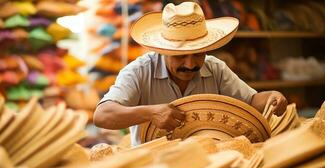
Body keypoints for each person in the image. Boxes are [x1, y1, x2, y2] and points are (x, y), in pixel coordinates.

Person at [94, 2, 287, 146]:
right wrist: (150, 112)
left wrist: (272, 97)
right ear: (163, 50)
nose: (190, 64)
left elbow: (251, 102)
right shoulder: (139, 71)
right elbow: (103, 115)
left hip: (209, 164)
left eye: (198, 54)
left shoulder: (215, 68)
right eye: (180, 56)